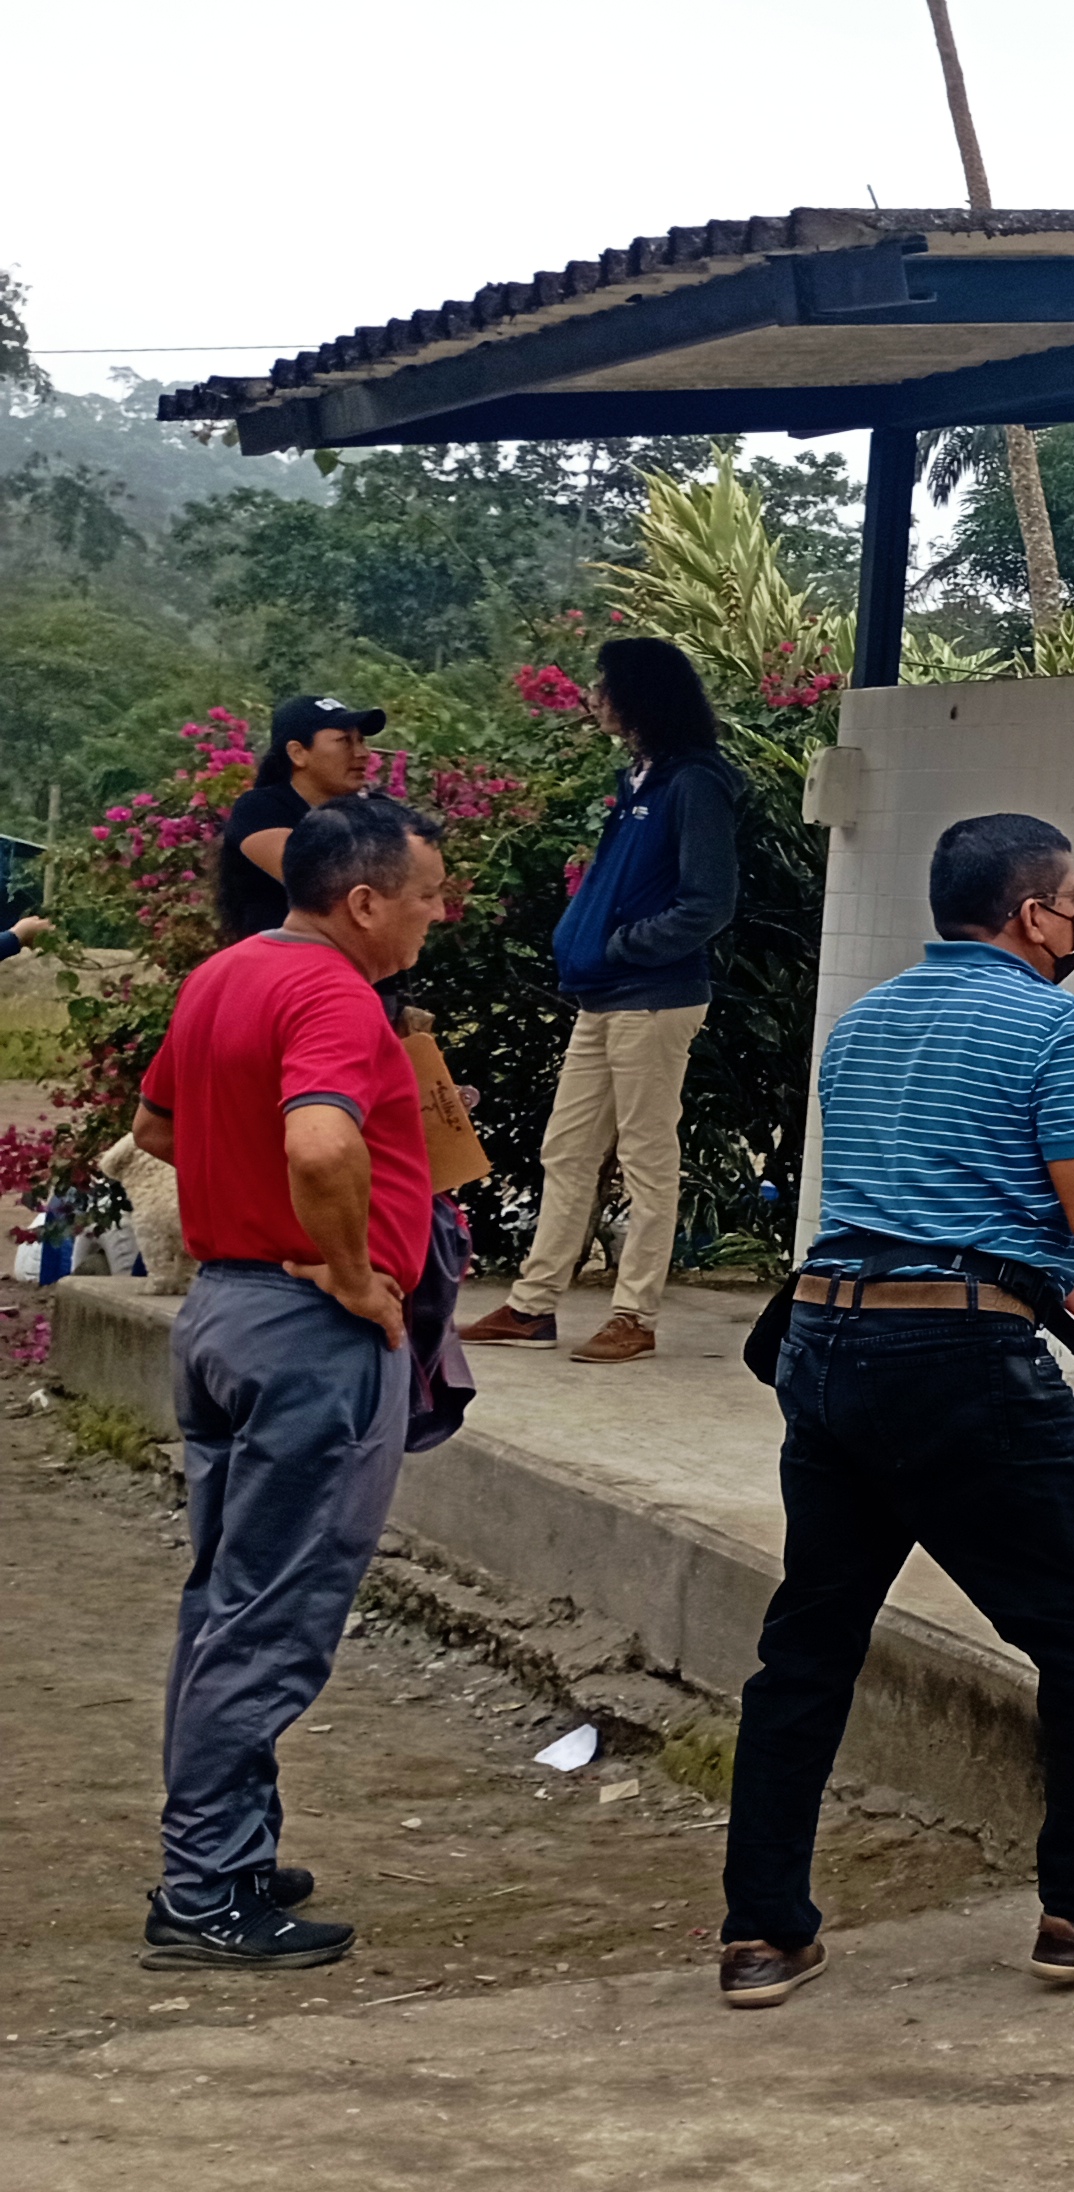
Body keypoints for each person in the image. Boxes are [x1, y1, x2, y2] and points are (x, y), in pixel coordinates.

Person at [715, 814, 1074, 2010]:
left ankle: (762, 1935)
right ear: (1035, 915)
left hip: (826, 1343)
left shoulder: (865, 1022)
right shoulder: (1058, 1026)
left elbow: (918, 1200)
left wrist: (1051, 1272)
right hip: (956, 1365)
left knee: (808, 1647)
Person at [129, 794, 449, 1968]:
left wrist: (261, 1203)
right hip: (307, 1331)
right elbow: (319, 1142)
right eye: (426, 895)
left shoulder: (225, 974)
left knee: (227, 1602)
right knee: (271, 1619)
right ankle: (205, 1890)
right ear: (363, 901)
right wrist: (353, 1271)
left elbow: (157, 1126)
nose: (436, 914)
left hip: (225, 1311)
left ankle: (229, 1849)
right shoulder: (332, 994)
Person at [462, 640, 744, 1365]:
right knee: (568, 1149)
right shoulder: (643, 779)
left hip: (653, 997)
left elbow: (708, 902)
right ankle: (533, 1305)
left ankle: (634, 1315)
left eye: (605, 684)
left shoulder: (694, 783)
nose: (594, 695)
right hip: (606, 995)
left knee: (646, 1155)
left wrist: (624, 946)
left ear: (640, 695)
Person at [215, 696, 381, 942]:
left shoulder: (379, 809)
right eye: (344, 741)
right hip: (285, 962)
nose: (362, 753)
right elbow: (317, 882)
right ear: (298, 753)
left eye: (361, 741)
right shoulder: (261, 809)